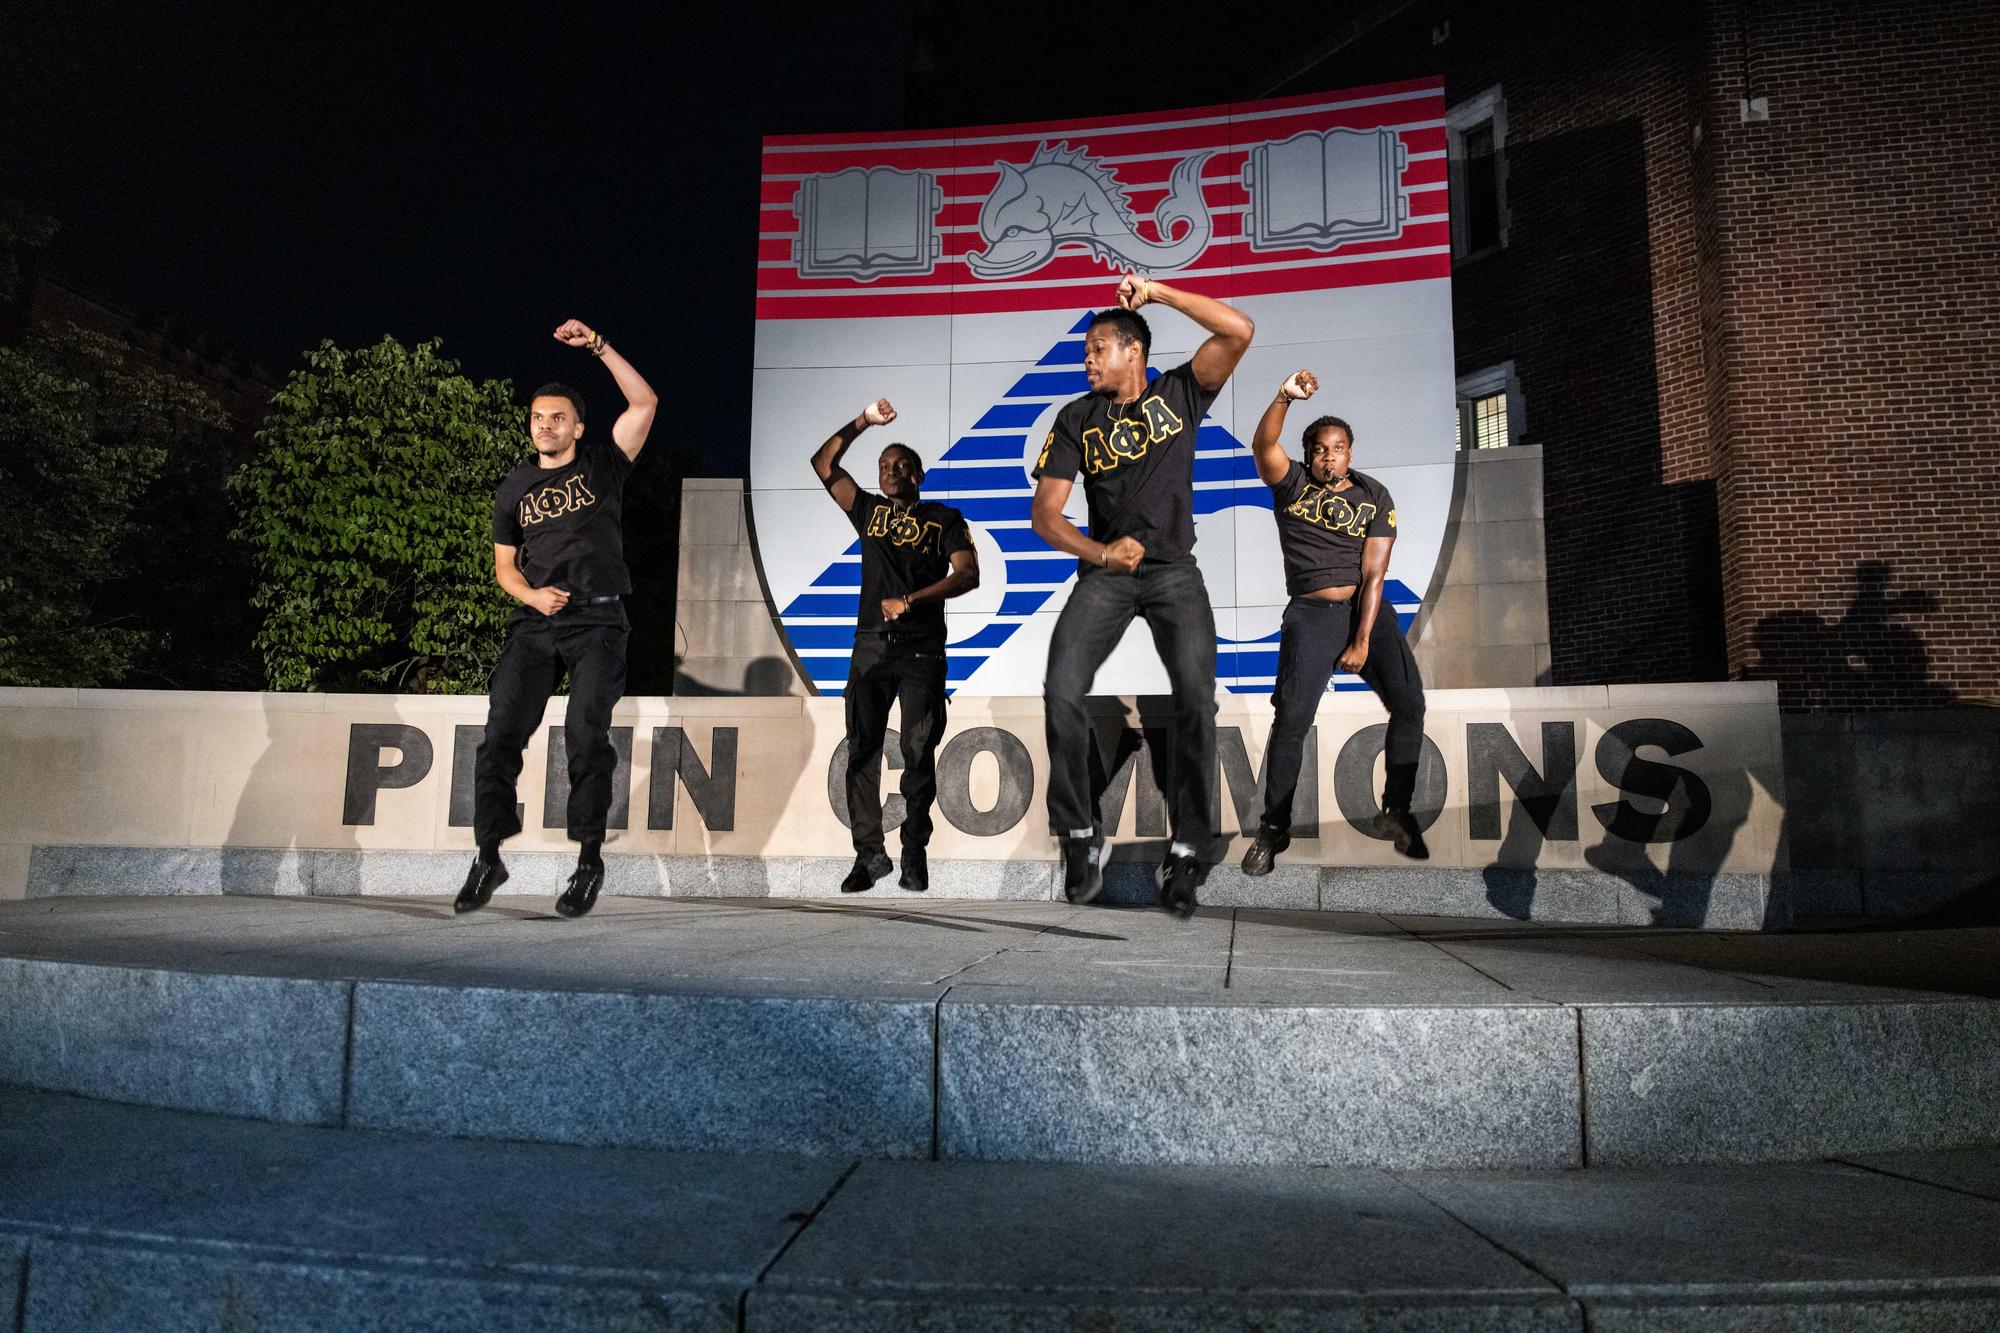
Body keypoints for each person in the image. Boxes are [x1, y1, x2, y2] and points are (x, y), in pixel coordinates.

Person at [1030, 273, 1253, 918]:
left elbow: (1239, 330)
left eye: (1099, 348)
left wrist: (1155, 292)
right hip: (1107, 575)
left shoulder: (1181, 393)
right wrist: (1101, 553)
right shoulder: (1076, 419)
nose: (1088, 358)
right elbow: (1046, 515)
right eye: (1087, 350)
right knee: (1062, 688)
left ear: (1134, 350)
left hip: (1173, 572)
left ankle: (1186, 850)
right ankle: (1077, 832)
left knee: (1194, 698)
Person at [455, 319, 658, 918]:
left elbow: (645, 401)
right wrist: (530, 598)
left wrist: (598, 344)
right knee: (498, 739)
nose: (546, 425)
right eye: (538, 417)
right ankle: (488, 855)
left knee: (585, 736)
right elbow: (504, 567)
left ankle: (588, 862)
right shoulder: (514, 486)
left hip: (597, 621)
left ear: (577, 427)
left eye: (557, 418)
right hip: (536, 624)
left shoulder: (603, 464)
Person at [1239, 369, 1429, 875]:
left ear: (1350, 452)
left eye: (1338, 447)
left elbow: (1375, 574)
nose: (1330, 455)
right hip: (1311, 616)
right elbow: (1264, 444)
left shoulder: (1374, 495)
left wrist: (1363, 638)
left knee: (1410, 704)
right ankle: (1272, 830)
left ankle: (1397, 810)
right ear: (1309, 454)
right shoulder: (1291, 484)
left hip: (1366, 612)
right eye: (1320, 448)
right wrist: (1283, 396)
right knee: (1292, 724)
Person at [811, 398, 979, 892]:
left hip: (921, 651)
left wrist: (912, 599)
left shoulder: (943, 517)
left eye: (902, 465)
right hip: (870, 648)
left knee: (917, 748)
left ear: (919, 474)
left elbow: (968, 575)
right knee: (862, 749)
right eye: (884, 466)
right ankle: (869, 856)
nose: (892, 471)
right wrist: (862, 420)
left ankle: (913, 851)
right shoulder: (867, 511)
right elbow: (824, 464)